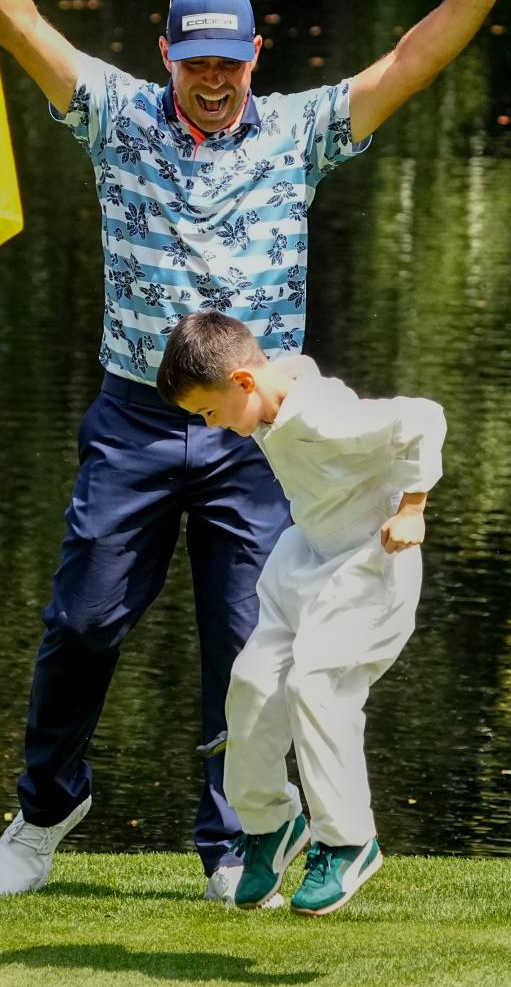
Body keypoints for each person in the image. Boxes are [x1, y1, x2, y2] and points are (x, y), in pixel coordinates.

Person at [0, 0, 511, 901]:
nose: (216, 80)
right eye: (199, 63)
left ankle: (233, 843)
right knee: (84, 618)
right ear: (168, 54)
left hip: (255, 434)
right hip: (135, 415)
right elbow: (25, 24)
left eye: (232, 62)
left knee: (249, 649)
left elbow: (413, 55)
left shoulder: (297, 132)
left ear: (255, 59)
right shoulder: (116, 116)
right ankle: (48, 804)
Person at [157, 311, 446, 915]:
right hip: (306, 558)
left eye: (208, 413)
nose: (209, 427)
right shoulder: (266, 394)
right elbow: (286, 370)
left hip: (370, 564)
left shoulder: (325, 416)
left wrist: (413, 508)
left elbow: (422, 417)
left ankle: (349, 842)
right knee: (254, 685)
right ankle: (272, 825)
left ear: (241, 382)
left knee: (317, 685)